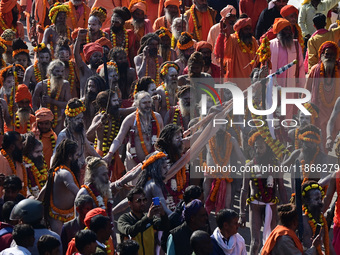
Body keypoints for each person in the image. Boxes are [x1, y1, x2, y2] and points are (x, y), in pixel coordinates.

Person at [239, 129, 287, 255]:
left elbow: (281, 188)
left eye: (260, 147)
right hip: (254, 205)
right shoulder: (249, 166)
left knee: (272, 242)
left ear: (268, 148)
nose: (257, 151)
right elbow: (244, 190)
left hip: (271, 205)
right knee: (255, 243)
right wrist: (241, 213)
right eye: (255, 147)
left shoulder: (276, 165)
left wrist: (288, 209)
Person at [104, 91, 163, 170]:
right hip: (133, 161)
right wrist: (110, 154)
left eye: (149, 102)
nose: (147, 105)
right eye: (144, 103)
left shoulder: (157, 117)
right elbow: (118, 139)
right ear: (137, 104)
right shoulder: (130, 119)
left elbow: (162, 138)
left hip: (154, 160)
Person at [305, 41, 340, 150]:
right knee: (320, 139)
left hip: (336, 110)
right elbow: (307, 91)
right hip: (319, 111)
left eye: (332, 55)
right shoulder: (315, 69)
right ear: (322, 55)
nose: (329, 57)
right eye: (327, 54)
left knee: (333, 137)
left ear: (336, 56)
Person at [41, 139, 80, 235]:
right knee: (59, 243)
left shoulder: (61, 171)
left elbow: (45, 189)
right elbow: (77, 192)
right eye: (76, 155)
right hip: (56, 217)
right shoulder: (64, 173)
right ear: (69, 157)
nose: (77, 158)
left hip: (70, 215)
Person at [117, 187, 170, 255]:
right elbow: (130, 231)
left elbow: (164, 226)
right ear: (130, 203)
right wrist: (147, 218)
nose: (142, 203)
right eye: (138, 201)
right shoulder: (124, 219)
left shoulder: (151, 218)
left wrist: (163, 214)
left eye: (144, 200)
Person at [53, 98, 100, 169]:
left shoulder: (81, 131)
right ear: (69, 120)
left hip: (82, 168)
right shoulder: (63, 135)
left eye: (81, 118)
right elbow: (55, 155)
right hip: (70, 170)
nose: (81, 121)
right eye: (77, 119)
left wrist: (101, 159)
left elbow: (88, 147)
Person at [215, 17, 258, 89]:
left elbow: (257, 57)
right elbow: (226, 53)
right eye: (246, 29)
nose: (249, 31)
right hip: (237, 76)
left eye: (249, 29)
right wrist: (227, 35)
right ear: (240, 30)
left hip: (251, 75)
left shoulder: (252, 40)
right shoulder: (233, 39)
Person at [32, 60, 71, 135]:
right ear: (50, 72)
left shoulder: (65, 84)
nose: (60, 74)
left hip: (59, 120)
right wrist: (39, 116)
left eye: (62, 71)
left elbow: (68, 104)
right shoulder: (41, 85)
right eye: (57, 71)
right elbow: (34, 104)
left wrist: (52, 101)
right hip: (43, 122)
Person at [0, 131, 26, 197]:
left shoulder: (19, 162)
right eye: (20, 142)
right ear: (12, 146)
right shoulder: (1, 158)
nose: (22, 145)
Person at [22, 132, 48, 198]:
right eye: (37, 152)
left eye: (41, 151)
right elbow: (24, 184)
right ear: (29, 152)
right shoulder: (24, 165)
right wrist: (30, 196)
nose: (40, 154)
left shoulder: (41, 162)